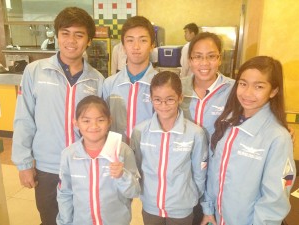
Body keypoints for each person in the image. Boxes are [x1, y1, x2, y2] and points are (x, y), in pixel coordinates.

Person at [11, 7, 105, 225]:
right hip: (47, 168)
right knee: (50, 220)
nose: (71, 40)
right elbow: (24, 118)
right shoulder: (35, 72)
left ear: (88, 40)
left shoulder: (96, 80)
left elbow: (101, 127)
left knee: (84, 220)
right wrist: (24, 163)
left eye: (79, 35)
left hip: (85, 166)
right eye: (65, 33)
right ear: (57, 35)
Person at [201, 56, 296, 225]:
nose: (247, 93)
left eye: (259, 86)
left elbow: (275, 198)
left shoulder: (278, 137)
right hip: (217, 218)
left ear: (273, 91)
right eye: (243, 84)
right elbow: (213, 172)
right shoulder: (226, 124)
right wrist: (208, 210)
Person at [131, 71, 208, 225]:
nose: (164, 106)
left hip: (182, 207)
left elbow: (199, 173)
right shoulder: (140, 131)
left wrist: (190, 195)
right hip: (150, 205)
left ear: (180, 98)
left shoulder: (195, 133)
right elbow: (137, 165)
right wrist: (145, 194)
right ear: (151, 99)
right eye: (157, 100)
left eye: (170, 100)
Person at [56, 95, 140, 225]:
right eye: (86, 121)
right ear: (76, 123)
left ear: (109, 121)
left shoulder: (122, 151)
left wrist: (122, 175)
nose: (93, 126)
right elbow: (65, 193)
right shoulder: (68, 155)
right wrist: (64, 222)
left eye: (100, 120)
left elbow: (134, 192)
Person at [180, 32, 235, 224]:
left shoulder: (234, 91)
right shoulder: (178, 88)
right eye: (198, 56)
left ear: (219, 58)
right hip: (185, 175)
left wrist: (283, 127)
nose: (204, 63)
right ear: (190, 60)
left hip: (218, 176)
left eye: (211, 56)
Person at [103, 16, 158, 144]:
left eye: (143, 40)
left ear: (152, 46)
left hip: (149, 158)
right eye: (130, 41)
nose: (136, 46)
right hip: (117, 157)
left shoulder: (161, 84)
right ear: (123, 46)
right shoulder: (110, 84)